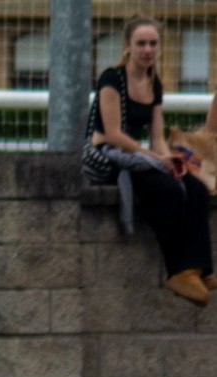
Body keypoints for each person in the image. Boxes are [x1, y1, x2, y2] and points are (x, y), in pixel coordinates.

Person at [84, 15, 213, 304]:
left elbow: (156, 137)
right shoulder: (111, 79)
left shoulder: (155, 84)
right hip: (106, 158)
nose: (147, 50)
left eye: (153, 43)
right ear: (127, 46)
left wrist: (169, 159)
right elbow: (114, 135)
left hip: (137, 156)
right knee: (165, 190)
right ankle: (178, 269)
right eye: (141, 43)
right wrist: (155, 160)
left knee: (195, 188)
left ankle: (201, 269)